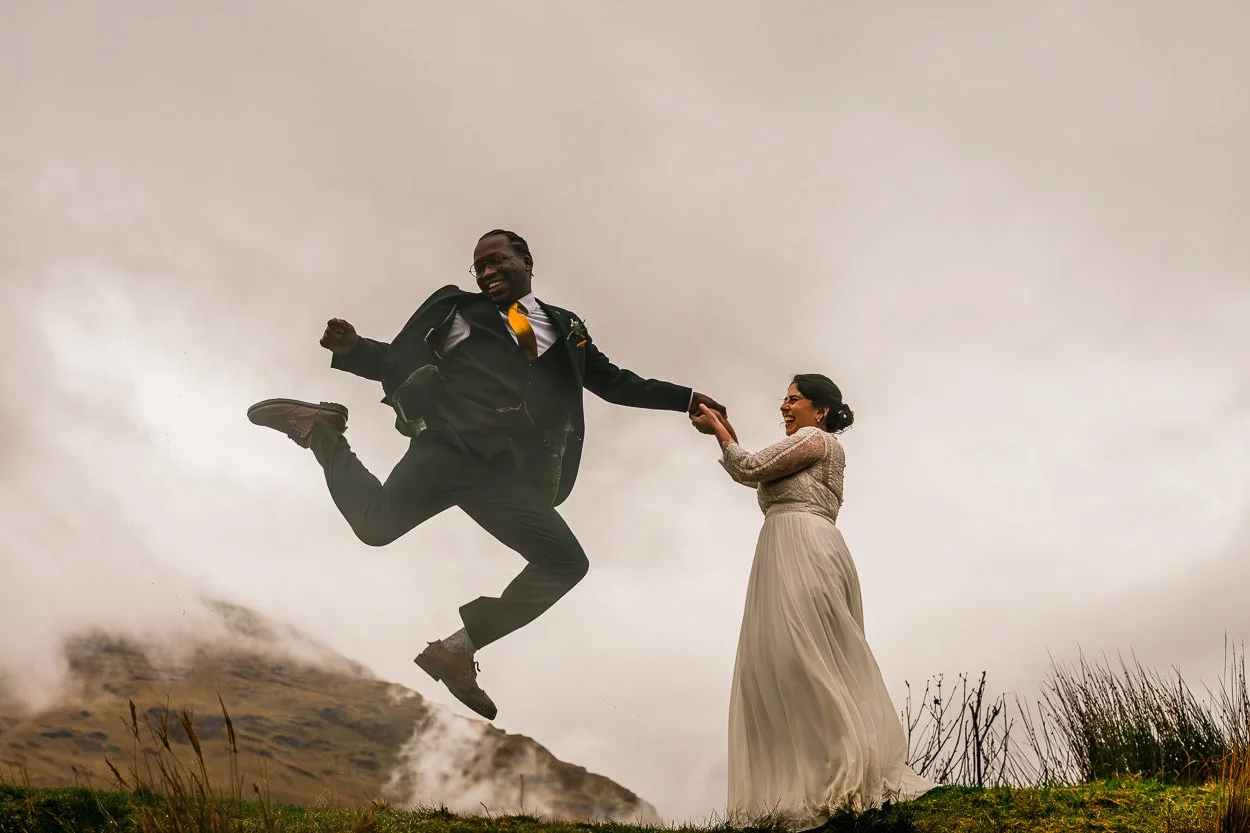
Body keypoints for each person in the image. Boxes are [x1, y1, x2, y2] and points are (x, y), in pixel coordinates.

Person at [247, 229, 725, 720]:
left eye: (496, 261)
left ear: (526, 260)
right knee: (373, 527)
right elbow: (410, 361)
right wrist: (354, 350)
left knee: (564, 563)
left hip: (504, 475)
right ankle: (322, 431)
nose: (487, 272)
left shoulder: (564, 328)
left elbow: (614, 381)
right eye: (478, 267)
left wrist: (686, 398)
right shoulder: (467, 318)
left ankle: (457, 648)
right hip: (448, 450)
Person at [690, 374, 934, 830]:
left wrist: (720, 431)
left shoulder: (816, 440)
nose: (784, 407)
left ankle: (844, 773)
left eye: (794, 399)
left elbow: (747, 468)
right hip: (787, 547)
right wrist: (727, 431)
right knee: (786, 660)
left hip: (804, 547)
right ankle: (813, 778)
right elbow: (755, 469)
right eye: (783, 399)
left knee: (807, 657)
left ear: (820, 410)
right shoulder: (805, 445)